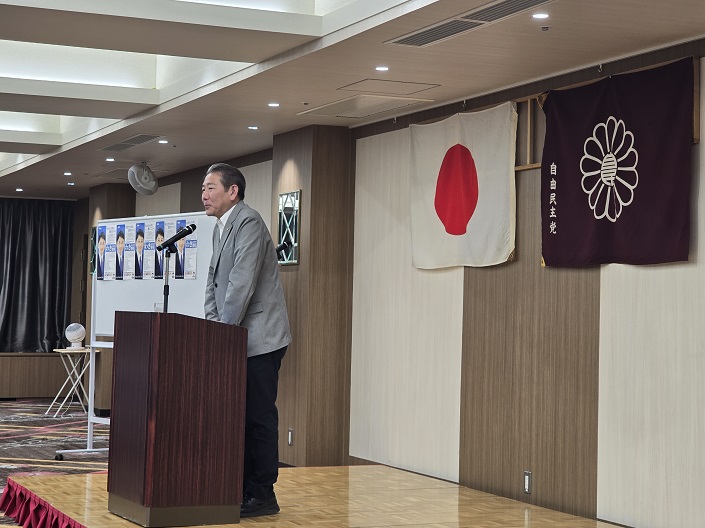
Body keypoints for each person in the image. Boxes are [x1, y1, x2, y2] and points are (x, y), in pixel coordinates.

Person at [202, 162, 291, 518]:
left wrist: (224, 333)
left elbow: (241, 285)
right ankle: (240, 489)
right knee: (237, 418)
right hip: (235, 337)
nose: (204, 194)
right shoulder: (220, 228)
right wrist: (214, 328)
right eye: (203, 188)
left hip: (260, 339)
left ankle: (263, 493)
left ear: (233, 191)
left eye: (210, 187)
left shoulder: (249, 222)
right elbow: (213, 283)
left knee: (258, 417)